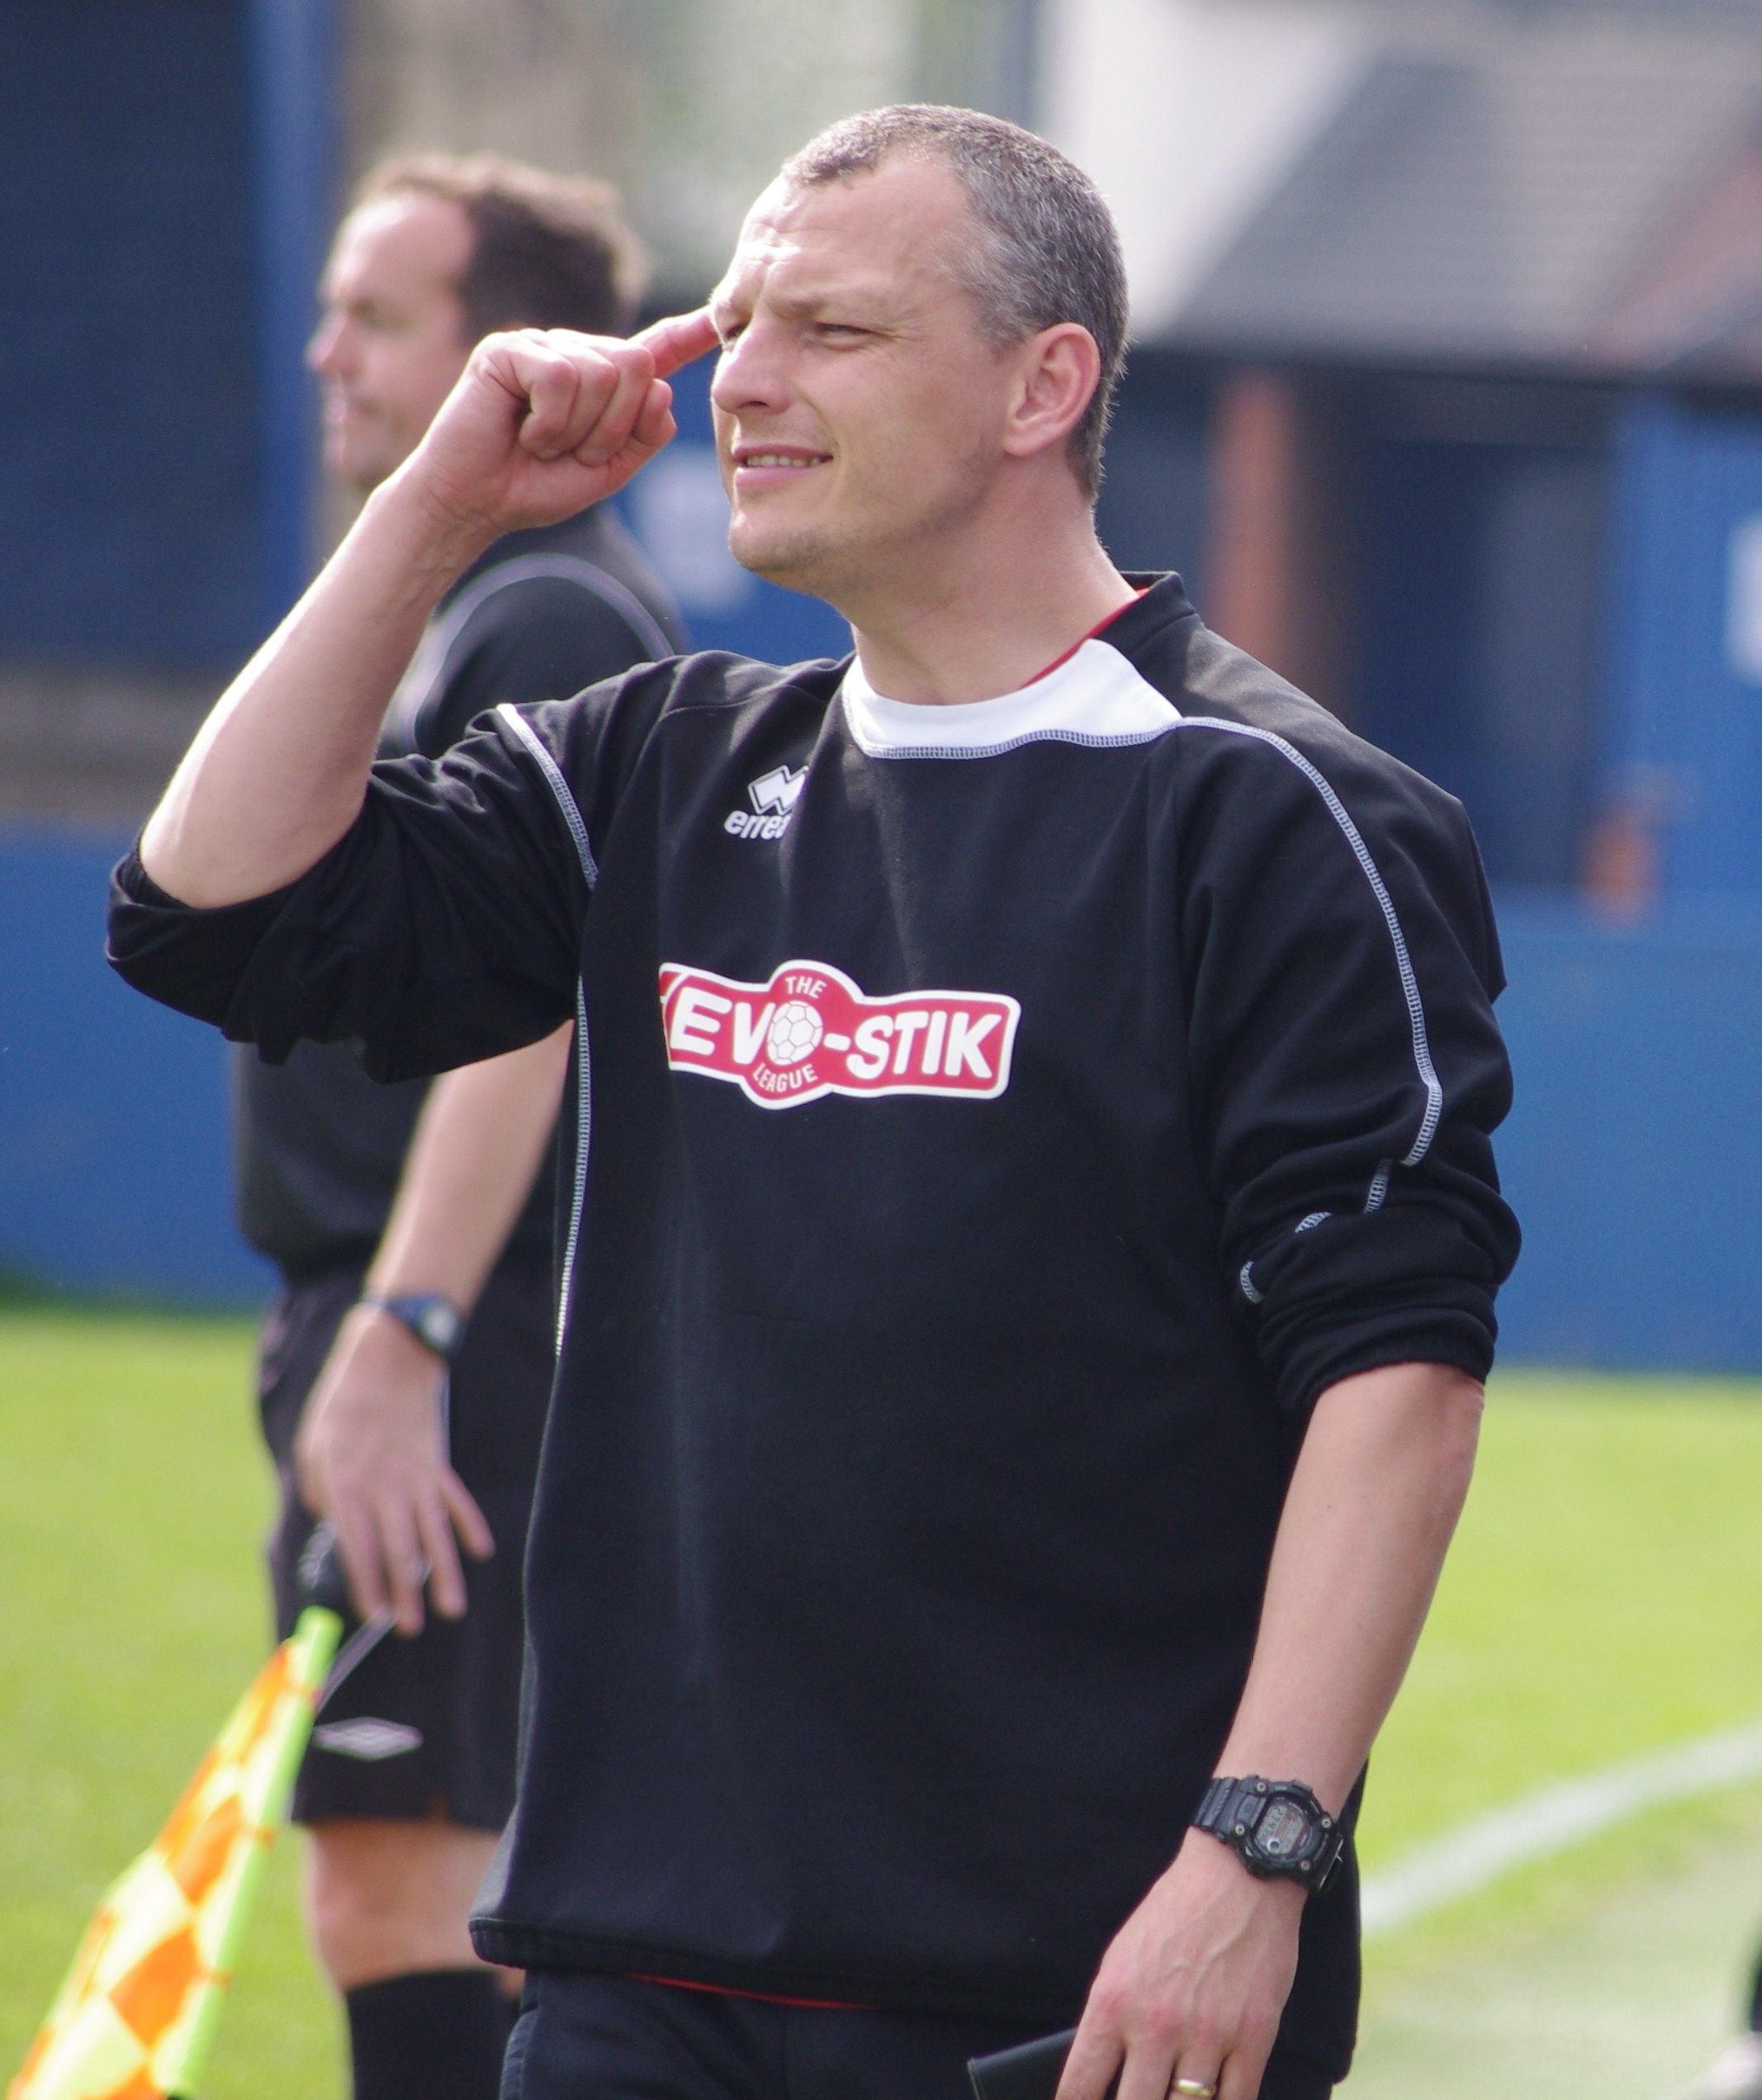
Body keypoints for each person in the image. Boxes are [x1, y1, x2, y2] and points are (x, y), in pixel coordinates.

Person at [110, 106, 1520, 2100]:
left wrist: (1254, 1855)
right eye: (736, 317)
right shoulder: (657, 766)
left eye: (832, 332)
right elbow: (204, 914)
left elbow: (1395, 1378)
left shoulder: (1271, 814)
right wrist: (433, 510)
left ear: (1049, 385)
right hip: (631, 1964)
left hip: (1074, 1988)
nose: (742, 377)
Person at [234, 151, 683, 2100]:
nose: (327, 348)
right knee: (419, 1890)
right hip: (411, 1328)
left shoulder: (545, 620)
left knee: (415, 1892)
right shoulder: (470, 610)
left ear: (509, 358)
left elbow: (535, 1023)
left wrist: (402, 1339)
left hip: (460, 1341)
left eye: (380, 314)